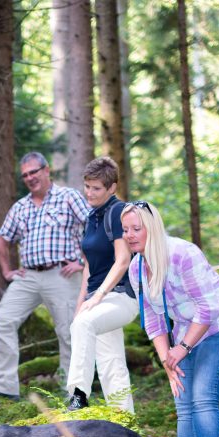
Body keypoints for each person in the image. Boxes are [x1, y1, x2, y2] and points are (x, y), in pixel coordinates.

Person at [122, 201, 219, 437]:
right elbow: (154, 320)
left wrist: (182, 349)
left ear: (152, 228)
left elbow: (209, 308)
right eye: (125, 230)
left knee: (203, 397)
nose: (130, 235)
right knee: (183, 401)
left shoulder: (182, 253)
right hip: (185, 331)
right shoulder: (136, 269)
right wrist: (167, 361)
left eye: (136, 228)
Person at [0, 151, 89, 400]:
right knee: (3, 320)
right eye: (25, 175)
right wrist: (7, 270)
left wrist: (82, 262)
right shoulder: (20, 207)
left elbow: (92, 226)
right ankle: (6, 386)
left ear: (46, 170)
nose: (30, 178)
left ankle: (73, 392)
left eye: (34, 172)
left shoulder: (68, 197)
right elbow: (1, 240)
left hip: (62, 274)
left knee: (69, 331)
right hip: (28, 276)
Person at [65, 156, 138, 412]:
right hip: (98, 299)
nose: (89, 192)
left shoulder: (118, 212)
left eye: (96, 188)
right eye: (87, 186)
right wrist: (82, 303)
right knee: (111, 363)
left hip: (121, 296)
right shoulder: (92, 217)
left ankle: (78, 395)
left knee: (85, 324)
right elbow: (89, 267)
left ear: (112, 187)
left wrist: (98, 297)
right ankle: (124, 419)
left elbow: (123, 260)